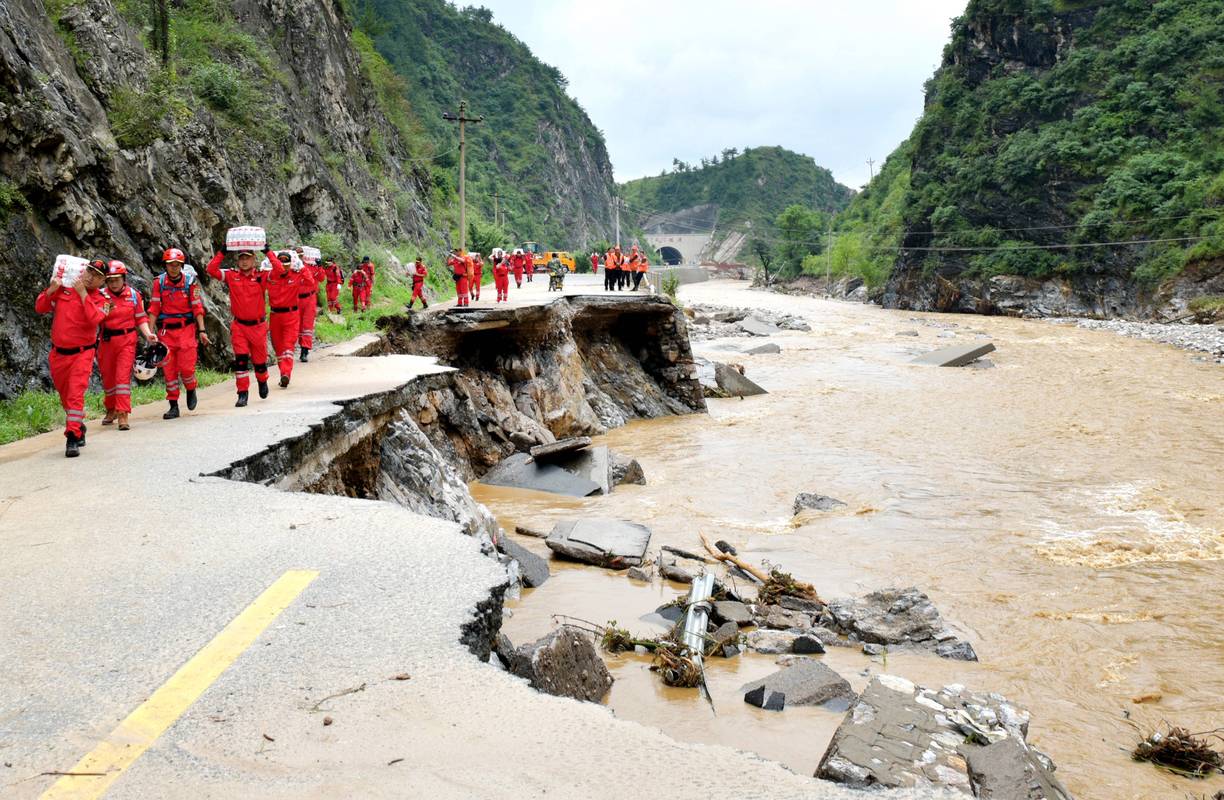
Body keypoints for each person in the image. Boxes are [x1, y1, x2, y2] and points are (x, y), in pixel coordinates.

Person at [35, 259, 110, 457]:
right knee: (65, 396)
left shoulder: (102, 299)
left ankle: (72, 437)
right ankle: (78, 426)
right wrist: (50, 290)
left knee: (75, 394)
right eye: (89, 272)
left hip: (82, 353)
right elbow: (40, 307)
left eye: (97, 276)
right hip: (58, 354)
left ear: (102, 281)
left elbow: (96, 319)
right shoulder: (64, 290)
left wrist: (83, 294)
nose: (90, 277)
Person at [206, 245, 280, 406]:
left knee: (260, 362)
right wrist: (223, 251)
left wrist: (267, 251)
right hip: (239, 326)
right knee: (240, 360)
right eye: (241, 258)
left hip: (258, 327)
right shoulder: (232, 275)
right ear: (238, 261)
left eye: (247, 258)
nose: (244, 261)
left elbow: (280, 270)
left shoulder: (261, 276)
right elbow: (211, 270)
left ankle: (262, 380)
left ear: (254, 260)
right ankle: (242, 393)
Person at [148, 248, 208, 420]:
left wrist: (202, 330)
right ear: (165, 265)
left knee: (187, 368)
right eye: (170, 264)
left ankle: (191, 388)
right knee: (169, 371)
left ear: (181, 265)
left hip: (186, 330)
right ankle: (173, 405)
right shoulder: (159, 283)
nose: (173, 268)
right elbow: (154, 308)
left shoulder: (191, 282)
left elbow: (197, 307)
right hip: (166, 331)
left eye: (177, 264)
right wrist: (150, 333)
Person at [98, 260, 156, 430]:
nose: (113, 283)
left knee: (122, 378)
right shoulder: (100, 295)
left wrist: (148, 334)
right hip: (106, 341)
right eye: (110, 280)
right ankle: (111, 409)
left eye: (117, 279)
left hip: (127, 341)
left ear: (124, 278)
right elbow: (93, 318)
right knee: (108, 379)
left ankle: (123, 414)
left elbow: (141, 318)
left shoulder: (133, 295)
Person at [266, 251, 301, 388]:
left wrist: (302, 267)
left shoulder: (296, 275)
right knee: (278, 347)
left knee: (288, 345)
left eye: (286, 264)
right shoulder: (270, 276)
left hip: (291, 315)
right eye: (281, 264)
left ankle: (286, 372)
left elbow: (311, 282)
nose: (284, 267)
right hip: (275, 316)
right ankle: (283, 374)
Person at [295, 248, 321, 363]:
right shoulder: (291, 268)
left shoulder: (311, 266)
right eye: (297, 255)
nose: (299, 257)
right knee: (298, 325)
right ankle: (299, 346)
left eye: (301, 255)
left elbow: (321, 278)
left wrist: (320, 267)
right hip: (296, 299)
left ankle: (304, 351)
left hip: (310, 298)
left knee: (307, 324)